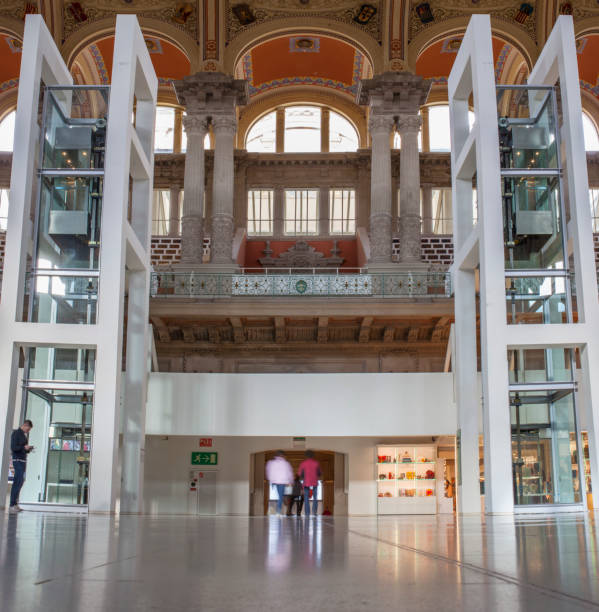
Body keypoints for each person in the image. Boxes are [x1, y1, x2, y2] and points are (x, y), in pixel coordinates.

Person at [9, 420, 33, 513]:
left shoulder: (23, 435)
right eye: (28, 429)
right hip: (17, 460)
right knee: (17, 481)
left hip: (22, 460)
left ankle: (15, 503)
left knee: (20, 481)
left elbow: (23, 448)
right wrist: (24, 448)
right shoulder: (16, 433)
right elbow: (14, 447)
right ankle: (12, 505)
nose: (28, 431)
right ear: (25, 425)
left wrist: (28, 449)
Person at [265, 450, 293, 516]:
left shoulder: (271, 462)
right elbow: (289, 473)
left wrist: (270, 480)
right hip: (282, 482)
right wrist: (291, 481)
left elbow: (269, 471)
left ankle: (278, 510)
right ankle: (278, 511)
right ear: (283, 455)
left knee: (280, 495)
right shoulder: (286, 463)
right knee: (280, 496)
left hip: (275, 481)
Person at [298, 450, 321, 517]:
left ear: (306, 455)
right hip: (314, 482)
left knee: (306, 498)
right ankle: (314, 512)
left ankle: (307, 513)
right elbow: (319, 473)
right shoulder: (316, 463)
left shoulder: (303, 463)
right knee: (315, 498)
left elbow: (299, 473)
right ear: (313, 456)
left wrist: (303, 476)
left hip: (306, 482)